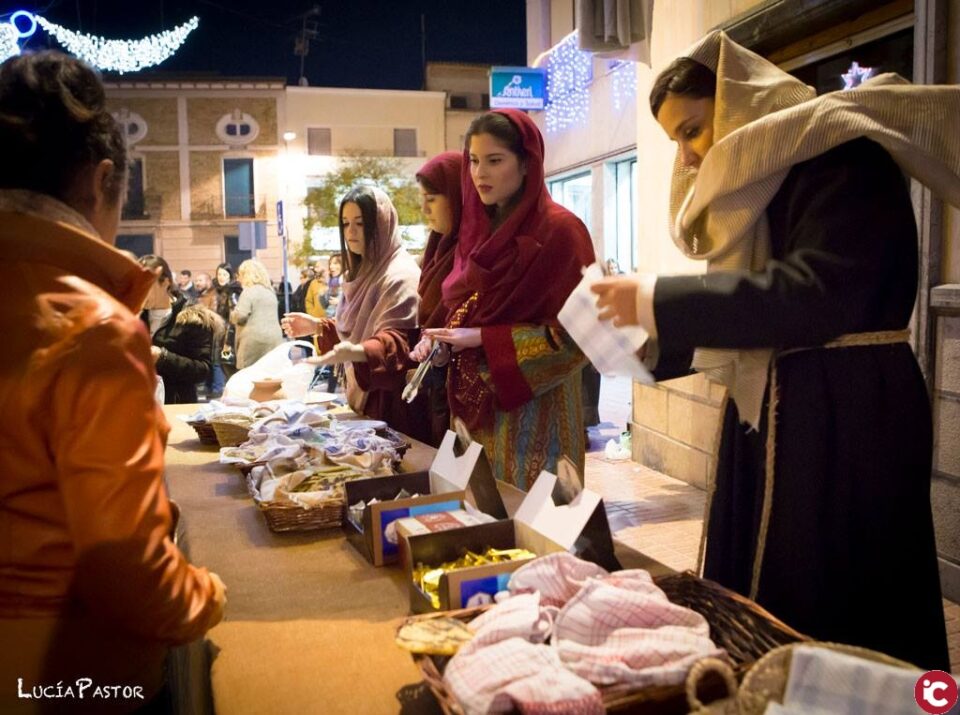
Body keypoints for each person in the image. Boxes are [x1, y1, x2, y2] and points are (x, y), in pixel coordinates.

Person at [591, 30, 960, 669]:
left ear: (738, 104)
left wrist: (658, 300)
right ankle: (768, 687)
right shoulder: (761, 179)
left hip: (847, 410)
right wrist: (643, 345)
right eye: (676, 140)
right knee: (779, 581)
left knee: (841, 589)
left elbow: (818, 292)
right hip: (779, 409)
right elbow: (750, 311)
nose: (687, 157)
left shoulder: (839, 150)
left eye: (692, 130)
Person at [0, 51, 225, 708]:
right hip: (70, 674)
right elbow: (124, 566)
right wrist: (208, 596)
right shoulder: (91, 329)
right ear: (102, 180)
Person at [412, 109, 595, 490]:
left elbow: (579, 339)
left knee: (534, 520)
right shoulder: (479, 234)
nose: (480, 174)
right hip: (479, 422)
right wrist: (445, 343)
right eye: (474, 161)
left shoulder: (561, 231)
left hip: (538, 423)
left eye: (495, 161)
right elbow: (470, 308)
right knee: (483, 519)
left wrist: (483, 338)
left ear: (527, 163)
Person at [281, 185, 420, 432]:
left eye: (360, 223)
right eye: (345, 224)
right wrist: (318, 326)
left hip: (392, 404)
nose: (351, 232)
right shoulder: (362, 272)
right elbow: (358, 330)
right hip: (366, 405)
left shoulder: (400, 275)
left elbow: (399, 343)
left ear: (381, 224)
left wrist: (358, 351)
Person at [406, 150, 463, 446]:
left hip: (464, 401)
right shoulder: (438, 248)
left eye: (432, 198)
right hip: (437, 389)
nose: (424, 208)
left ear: (458, 196)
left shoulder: (472, 254)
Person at [140, 255, 224, 404]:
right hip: (138, 403)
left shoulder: (192, 317)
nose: (140, 291)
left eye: (146, 285)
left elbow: (203, 370)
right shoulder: (134, 317)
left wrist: (163, 357)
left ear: (165, 282)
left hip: (176, 403)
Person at [232, 258, 284, 369]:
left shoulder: (248, 291)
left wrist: (232, 315)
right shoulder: (270, 292)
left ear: (246, 275)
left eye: (240, 275)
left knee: (249, 374)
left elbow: (241, 316)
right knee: (269, 372)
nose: (239, 279)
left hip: (254, 342)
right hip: (274, 339)